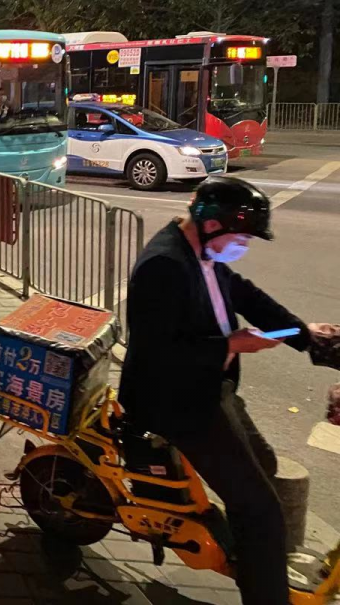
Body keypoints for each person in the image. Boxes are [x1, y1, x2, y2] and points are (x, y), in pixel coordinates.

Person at [119, 176, 339, 605]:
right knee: (260, 509)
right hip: (176, 401)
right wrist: (229, 345)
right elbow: (155, 352)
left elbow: (246, 296)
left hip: (209, 389)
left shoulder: (203, 254)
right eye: (242, 237)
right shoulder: (164, 265)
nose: (244, 246)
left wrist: (305, 336)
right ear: (211, 224)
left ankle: (250, 557)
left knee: (264, 465)